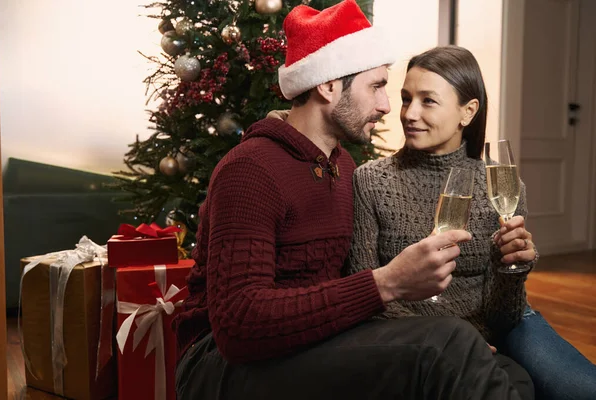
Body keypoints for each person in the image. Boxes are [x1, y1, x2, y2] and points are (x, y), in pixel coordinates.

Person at [173, 2, 532, 399]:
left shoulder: (340, 165)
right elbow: (238, 327)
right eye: (376, 86)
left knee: (512, 376)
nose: (387, 106)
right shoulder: (251, 170)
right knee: (447, 345)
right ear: (328, 85)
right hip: (221, 365)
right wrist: (387, 282)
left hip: (315, 341)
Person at [346, 44, 596, 400]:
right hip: (418, 332)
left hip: (500, 325)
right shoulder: (371, 180)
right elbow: (366, 291)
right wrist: (455, 339)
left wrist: (511, 269)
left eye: (427, 101)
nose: (409, 113)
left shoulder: (502, 187)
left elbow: (505, 315)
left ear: (468, 111)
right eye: (405, 98)